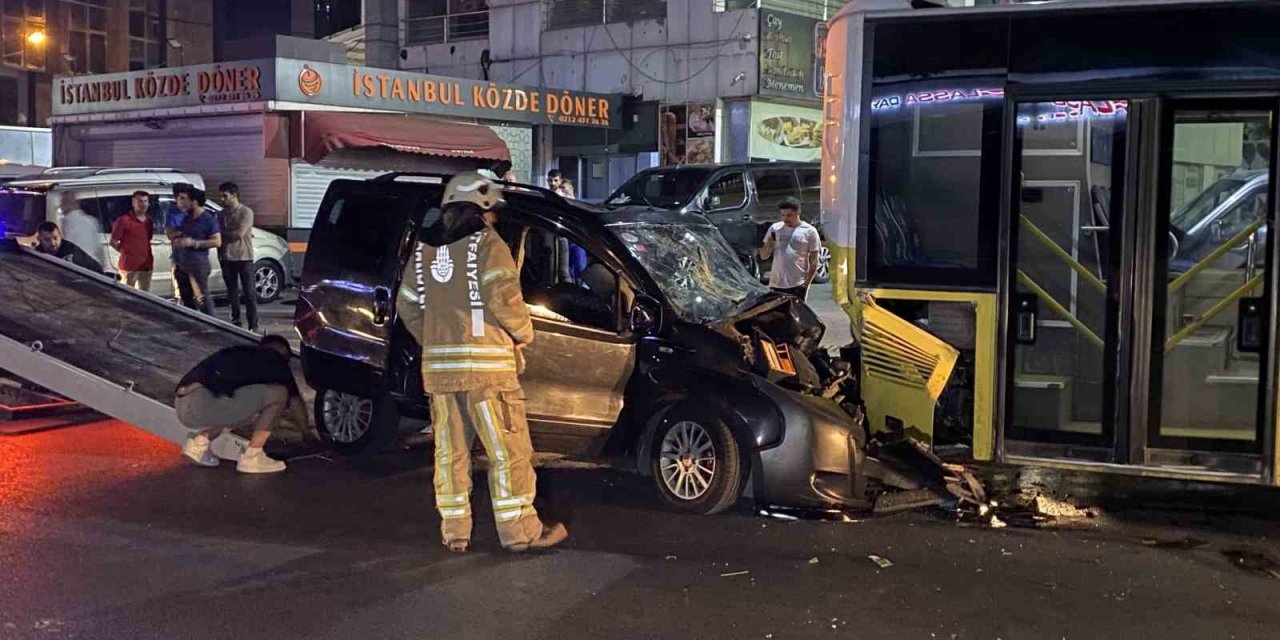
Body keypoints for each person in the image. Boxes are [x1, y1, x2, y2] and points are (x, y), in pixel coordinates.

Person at [397, 171, 568, 554]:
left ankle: (455, 533)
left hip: (441, 377)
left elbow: (407, 305)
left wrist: (435, 339)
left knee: (450, 454)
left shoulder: (424, 252)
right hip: (488, 374)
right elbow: (504, 300)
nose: (494, 219)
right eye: (492, 212)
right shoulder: (488, 245)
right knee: (508, 452)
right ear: (482, 208)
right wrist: (524, 334)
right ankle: (521, 532)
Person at [175, 334, 305, 473]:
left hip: (182, 403)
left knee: (242, 409)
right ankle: (252, 457)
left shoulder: (240, 353)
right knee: (280, 393)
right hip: (206, 402)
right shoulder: (276, 361)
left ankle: (198, 444)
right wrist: (306, 433)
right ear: (284, 354)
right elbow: (296, 403)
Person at [759, 196, 822, 301]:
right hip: (776, 284)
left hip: (797, 284)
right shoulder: (775, 228)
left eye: (789, 215)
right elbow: (764, 256)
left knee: (796, 311)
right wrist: (769, 245)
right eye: (783, 215)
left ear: (798, 212)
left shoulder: (809, 231)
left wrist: (806, 285)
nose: (785, 219)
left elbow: (814, 261)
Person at [172, 185, 221, 315]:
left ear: (193, 201)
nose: (180, 202)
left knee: (202, 298)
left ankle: (210, 323)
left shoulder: (208, 219)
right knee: (187, 299)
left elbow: (217, 241)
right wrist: (178, 239)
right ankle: (191, 321)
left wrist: (194, 243)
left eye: (183, 199)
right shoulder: (187, 218)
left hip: (197, 265)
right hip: (182, 264)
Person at [216, 182, 258, 331]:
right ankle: (236, 321)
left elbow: (239, 234)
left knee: (249, 293)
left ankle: (253, 324)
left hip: (243, 256)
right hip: (226, 257)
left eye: (225, 196)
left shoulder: (246, 212)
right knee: (232, 292)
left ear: (234, 195)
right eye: (221, 196)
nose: (222, 199)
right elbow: (217, 234)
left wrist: (222, 235)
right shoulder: (221, 214)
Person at [109, 190, 155, 291]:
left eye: (145, 201)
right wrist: (126, 252)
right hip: (129, 267)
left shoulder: (149, 221)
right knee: (127, 295)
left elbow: (148, 240)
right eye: (140, 201)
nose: (143, 204)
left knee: (145, 295)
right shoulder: (123, 221)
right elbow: (113, 242)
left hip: (146, 266)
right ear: (133, 203)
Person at [58, 191, 106, 268]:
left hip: (76, 268)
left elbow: (67, 249)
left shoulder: (66, 222)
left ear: (70, 204)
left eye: (63, 203)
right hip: (92, 268)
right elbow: (99, 251)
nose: (61, 206)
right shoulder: (91, 221)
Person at [34, 221, 104, 273]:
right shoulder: (36, 254)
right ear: (39, 239)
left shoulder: (70, 252)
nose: (53, 243)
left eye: (55, 238)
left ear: (60, 236)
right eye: (47, 239)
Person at [165, 183, 192, 304]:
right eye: (182, 198)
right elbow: (170, 234)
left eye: (188, 198)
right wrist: (184, 231)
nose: (185, 201)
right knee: (182, 292)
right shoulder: (173, 214)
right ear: (176, 198)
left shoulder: (194, 211)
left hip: (196, 258)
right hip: (180, 258)